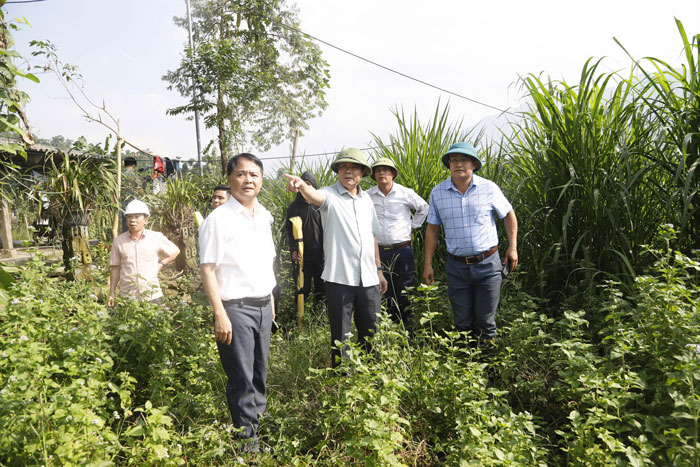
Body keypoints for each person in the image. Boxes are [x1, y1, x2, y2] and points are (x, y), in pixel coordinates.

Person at [198, 153, 276, 448]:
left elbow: (265, 262)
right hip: (235, 309)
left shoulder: (264, 215)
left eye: (254, 175)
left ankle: (259, 428)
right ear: (230, 180)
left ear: (261, 180)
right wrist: (220, 313)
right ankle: (247, 445)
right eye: (242, 174)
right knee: (241, 378)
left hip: (262, 306)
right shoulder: (219, 219)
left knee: (259, 374)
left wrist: (269, 298)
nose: (248, 180)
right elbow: (207, 268)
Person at [285, 148, 388, 367]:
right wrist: (301, 186)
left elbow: (373, 237)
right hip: (339, 278)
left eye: (353, 168)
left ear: (362, 173)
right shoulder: (329, 195)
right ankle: (343, 378)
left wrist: (379, 271)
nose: (348, 171)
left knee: (372, 331)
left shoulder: (367, 200)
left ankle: (373, 376)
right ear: (338, 172)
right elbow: (315, 196)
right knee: (341, 335)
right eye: (343, 167)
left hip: (369, 278)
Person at [423, 142, 518, 343]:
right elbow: (432, 229)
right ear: (448, 164)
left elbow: (508, 214)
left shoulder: (489, 188)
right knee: (462, 322)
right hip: (456, 267)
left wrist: (512, 247)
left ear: (474, 164)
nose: (459, 164)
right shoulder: (437, 193)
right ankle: (465, 366)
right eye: (454, 160)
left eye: (464, 159)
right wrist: (428, 263)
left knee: (486, 322)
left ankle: (487, 366)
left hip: (488, 264)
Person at [367, 158, 428, 328]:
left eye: (386, 170)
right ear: (374, 175)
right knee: (381, 289)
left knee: (404, 289)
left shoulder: (405, 193)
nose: (381, 173)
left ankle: (407, 327)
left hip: (402, 250)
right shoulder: (368, 195)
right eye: (378, 170)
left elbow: (424, 207)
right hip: (377, 252)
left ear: (393, 174)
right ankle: (386, 326)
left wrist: (413, 226)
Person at [108, 199, 180, 305]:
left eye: (137, 216)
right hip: (128, 297)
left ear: (146, 220)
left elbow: (175, 251)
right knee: (128, 321)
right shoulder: (119, 241)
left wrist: (160, 264)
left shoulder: (156, 237)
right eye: (129, 217)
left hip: (152, 295)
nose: (133, 220)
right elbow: (115, 268)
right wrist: (111, 294)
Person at [285, 171, 324, 303]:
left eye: (309, 184)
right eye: (303, 184)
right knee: (302, 289)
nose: (306, 187)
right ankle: (300, 319)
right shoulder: (293, 208)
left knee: (322, 290)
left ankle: (320, 318)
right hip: (302, 257)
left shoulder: (320, 206)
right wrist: (293, 250)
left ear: (314, 187)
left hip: (321, 257)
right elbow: (289, 231)